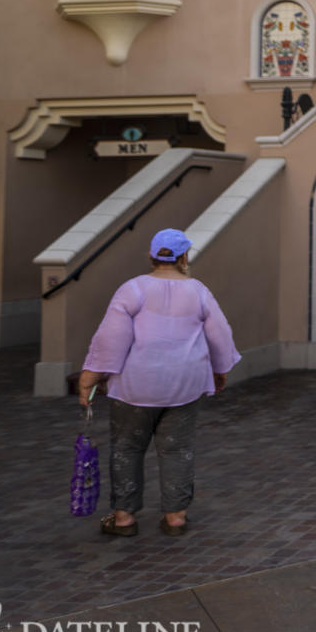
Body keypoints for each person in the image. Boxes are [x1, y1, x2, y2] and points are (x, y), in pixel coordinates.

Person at [78, 229, 240, 537]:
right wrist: (220, 369)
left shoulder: (133, 289)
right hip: (184, 385)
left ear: (152, 256)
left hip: (135, 386)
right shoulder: (199, 291)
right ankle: (175, 516)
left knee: (127, 447)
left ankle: (124, 517)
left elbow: (111, 339)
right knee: (178, 450)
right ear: (183, 257)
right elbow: (221, 335)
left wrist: (90, 377)